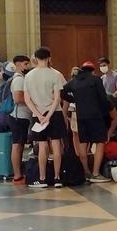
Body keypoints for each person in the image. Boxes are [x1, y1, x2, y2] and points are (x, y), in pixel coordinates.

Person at [23, 47, 67, 189]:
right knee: (56, 145)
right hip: (54, 113)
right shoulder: (55, 74)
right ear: (49, 57)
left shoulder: (29, 76)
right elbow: (57, 99)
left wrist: (40, 115)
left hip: (38, 114)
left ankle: (42, 179)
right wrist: (48, 115)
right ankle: (57, 177)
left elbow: (27, 100)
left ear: (35, 58)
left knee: (42, 146)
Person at [65, 60, 114, 183]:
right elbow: (103, 98)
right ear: (92, 70)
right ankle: (96, 173)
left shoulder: (74, 81)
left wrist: (75, 99)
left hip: (81, 116)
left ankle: (86, 171)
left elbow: (62, 92)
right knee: (100, 142)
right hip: (95, 115)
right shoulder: (95, 80)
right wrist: (106, 109)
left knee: (83, 143)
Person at [7, 55, 32, 184]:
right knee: (17, 144)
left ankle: (19, 173)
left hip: (21, 116)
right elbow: (18, 99)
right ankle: (17, 175)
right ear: (18, 64)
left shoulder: (21, 78)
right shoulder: (18, 80)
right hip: (18, 116)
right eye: (25, 64)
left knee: (20, 144)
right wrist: (32, 102)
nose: (28, 66)